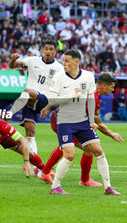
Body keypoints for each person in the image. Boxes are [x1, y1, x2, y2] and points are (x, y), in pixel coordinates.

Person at [40, 49, 120, 195]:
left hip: (82, 122)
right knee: (69, 153)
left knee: (96, 150)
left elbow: (89, 101)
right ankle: (54, 185)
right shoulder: (59, 77)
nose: (63, 63)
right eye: (63, 60)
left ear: (77, 62)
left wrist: (90, 121)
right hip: (64, 120)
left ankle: (107, 187)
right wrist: (68, 96)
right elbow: (52, 99)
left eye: (67, 60)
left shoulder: (88, 78)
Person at [7, 40, 64, 154]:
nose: (48, 51)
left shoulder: (59, 68)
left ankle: (10, 113)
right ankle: (36, 164)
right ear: (42, 49)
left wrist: (49, 107)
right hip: (28, 101)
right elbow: (12, 67)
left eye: (51, 49)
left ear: (55, 51)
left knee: (27, 91)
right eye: (46, 49)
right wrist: (13, 60)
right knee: (30, 131)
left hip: (45, 100)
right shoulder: (32, 60)